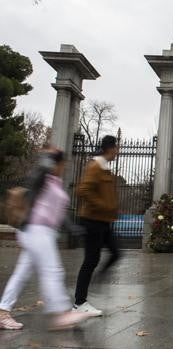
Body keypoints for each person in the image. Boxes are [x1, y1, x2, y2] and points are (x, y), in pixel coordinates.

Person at [0, 149, 91, 330]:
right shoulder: (42, 178)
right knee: (52, 270)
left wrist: (72, 228)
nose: (65, 167)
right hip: (36, 231)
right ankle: (61, 314)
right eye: (63, 163)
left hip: (42, 232)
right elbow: (35, 185)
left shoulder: (55, 183)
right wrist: (47, 160)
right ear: (55, 164)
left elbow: (58, 212)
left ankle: (2, 311)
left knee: (22, 273)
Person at [73, 135, 120, 316]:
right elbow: (82, 190)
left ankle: (99, 278)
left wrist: (110, 210)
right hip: (92, 221)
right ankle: (79, 302)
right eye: (117, 148)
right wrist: (103, 206)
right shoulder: (95, 167)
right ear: (110, 148)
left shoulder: (105, 168)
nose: (118, 151)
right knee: (90, 260)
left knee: (116, 253)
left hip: (104, 221)